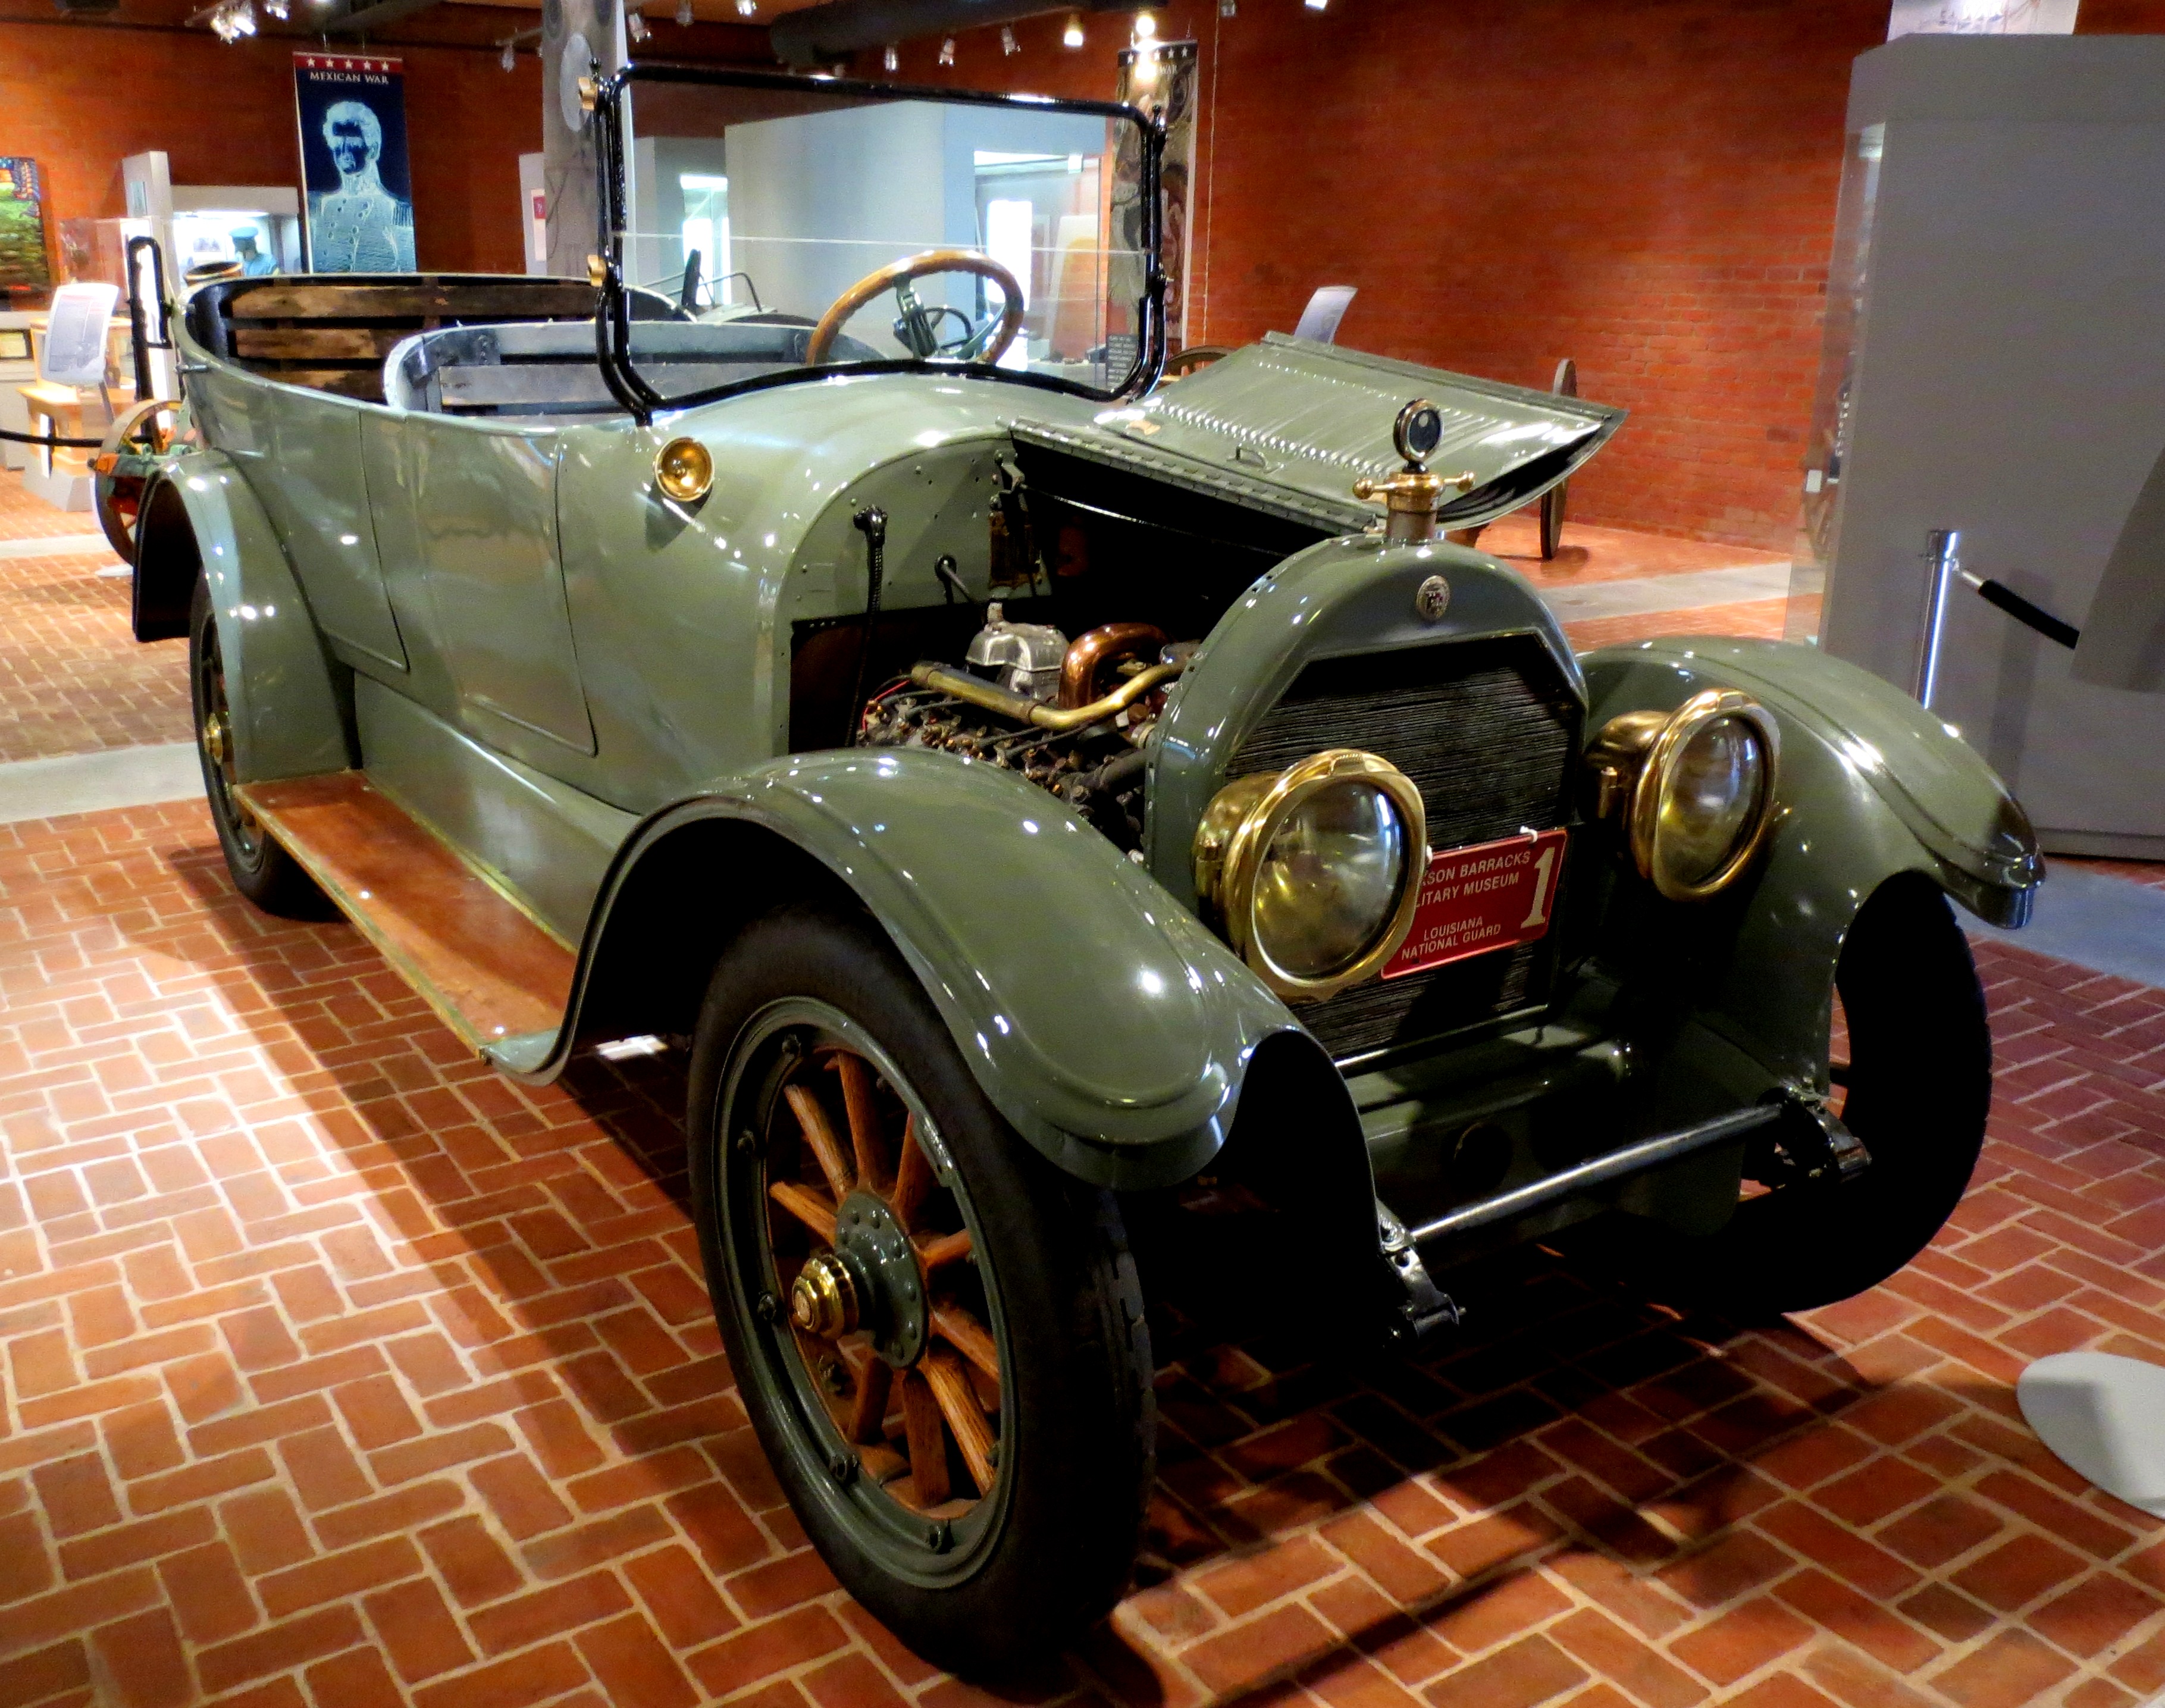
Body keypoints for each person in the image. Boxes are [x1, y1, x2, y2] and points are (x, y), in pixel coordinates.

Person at [307, 100, 415, 273]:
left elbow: (410, 275)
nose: (344, 151)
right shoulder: (320, 207)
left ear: (373, 149)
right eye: (338, 142)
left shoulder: (398, 210)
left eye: (353, 142)